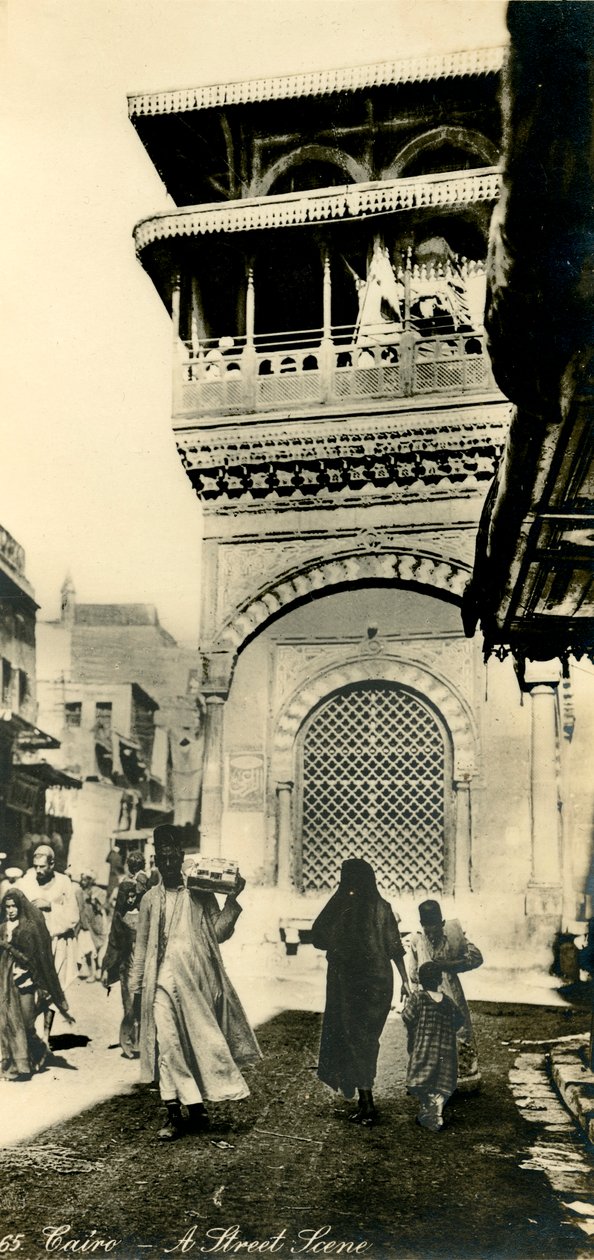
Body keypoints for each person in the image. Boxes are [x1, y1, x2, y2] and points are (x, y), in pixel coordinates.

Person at [129, 824, 261, 1142]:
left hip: (196, 984)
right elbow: (142, 948)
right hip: (161, 985)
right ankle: (174, 1113)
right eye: (162, 858)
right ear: (156, 860)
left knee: (200, 1043)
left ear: (181, 857)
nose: (168, 863)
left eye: (172, 857)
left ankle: (196, 1106)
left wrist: (233, 900)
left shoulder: (200, 893)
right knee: (168, 1046)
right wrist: (136, 991)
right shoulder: (149, 900)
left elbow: (218, 933)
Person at [311, 857, 411, 1127]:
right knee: (366, 1039)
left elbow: (317, 935)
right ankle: (363, 1097)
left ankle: (367, 1103)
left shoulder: (341, 905)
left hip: (351, 985)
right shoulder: (382, 907)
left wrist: (338, 943)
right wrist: (404, 981)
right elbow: (395, 947)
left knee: (356, 1038)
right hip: (379, 984)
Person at [408, 899, 483, 1094]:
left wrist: (449, 965)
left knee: (460, 1032)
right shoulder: (417, 940)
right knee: (428, 1037)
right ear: (421, 925)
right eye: (427, 929)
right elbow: (413, 973)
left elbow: (476, 958)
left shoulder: (453, 936)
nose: (431, 933)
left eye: (435, 928)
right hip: (427, 995)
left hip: (450, 989)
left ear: (442, 923)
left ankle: (464, 1080)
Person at [0, 889, 73, 1079]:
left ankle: (39, 1051)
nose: (10, 910)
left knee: (26, 1024)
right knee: (8, 1023)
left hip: (26, 980)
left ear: (20, 907)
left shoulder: (29, 928)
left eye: (14, 906)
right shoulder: (3, 928)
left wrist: (7, 946)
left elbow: (32, 958)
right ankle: (18, 1066)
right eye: (7, 907)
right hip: (6, 982)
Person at [16, 844, 80, 1033]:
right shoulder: (26, 881)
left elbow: (73, 915)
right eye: (35, 866)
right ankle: (30, 1031)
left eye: (42, 866)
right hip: (33, 945)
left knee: (53, 989)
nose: (38, 870)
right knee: (31, 988)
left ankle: (45, 1035)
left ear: (52, 864)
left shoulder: (64, 882)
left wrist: (50, 906)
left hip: (57, 944)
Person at [401, 960, 464, 1131]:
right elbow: (459, 1020)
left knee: (421, 1081)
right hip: (446, 1052)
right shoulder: (448, 1002)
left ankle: (432, 1111)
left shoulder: (418, 998)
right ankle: (434, 1112)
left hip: (425, 1049)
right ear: (440, 980)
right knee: (440, 1083)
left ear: (420, 980)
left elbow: (407, 1017)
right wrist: (447, 1030)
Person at [101, 875, 147, 1058]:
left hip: (143, 964)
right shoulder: (119, 918)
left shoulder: (144, 912)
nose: (130, 900)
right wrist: (107, 968)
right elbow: (113, 944)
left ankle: (139, 1043)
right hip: (127, 966)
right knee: (129, 1005)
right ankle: (127, 1042)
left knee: (141, 1005)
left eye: (133, 896)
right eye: (127, 897)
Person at [75, 871, 107, 982]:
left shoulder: (98, 891)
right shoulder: (78, 892)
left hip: (95, 926)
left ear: (90, 881)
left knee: (96, 950)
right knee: (88, 951)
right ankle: (92, 973)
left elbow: (102, 906)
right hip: (84, 926)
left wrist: (94, 901)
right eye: (82, 879)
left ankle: (98, 971)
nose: (82, 881)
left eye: (85, 879)